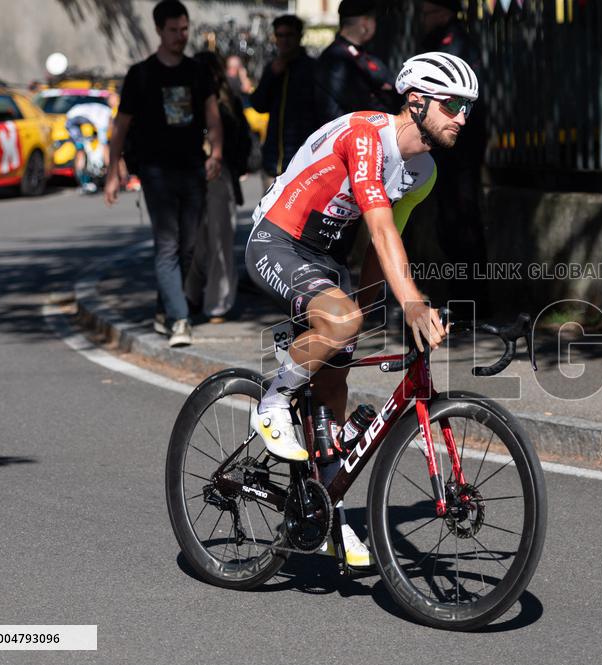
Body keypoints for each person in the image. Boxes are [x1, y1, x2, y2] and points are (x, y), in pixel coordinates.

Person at [244, 51, 479, 566]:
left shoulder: (424, 171)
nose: (462, 116)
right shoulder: (366, 137)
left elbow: (382, 246)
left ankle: (328, 513)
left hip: (325, 257)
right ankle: (273, 400)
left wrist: (366, 319)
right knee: (339, 321)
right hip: (277, 240)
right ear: (416, 102)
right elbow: (375, 225)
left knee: (338, 377)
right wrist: (412, 304)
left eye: (468, 106)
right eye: (452, 104)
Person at [104, 0, 223, 348]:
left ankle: (163, 309)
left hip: (192, 169)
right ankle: (179, 319)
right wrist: (113, 171)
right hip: (155, 172)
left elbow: (212, 115)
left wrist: (215, 152)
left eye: (184, 29)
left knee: (187, 247)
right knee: (168, 244)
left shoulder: (197, 71)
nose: (180, 36)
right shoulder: (141, 75)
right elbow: (121, 126)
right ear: (159, 30)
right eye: (173, 30)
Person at [417, 0, 490, 309]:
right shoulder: (440, 40)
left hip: (460, 145)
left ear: (443, 12)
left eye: (427, 12)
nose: (422, 18)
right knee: (449, 223)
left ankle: (471, 301)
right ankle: (463, 299)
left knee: (461, 222)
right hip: (448, 148)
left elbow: (455, 97)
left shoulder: (455, 43)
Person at [185, 51, 250, 323]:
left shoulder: (228, 101)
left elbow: (241, 139)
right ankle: (191, 294)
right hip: (191, 175)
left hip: (220, 175)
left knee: (220, 241)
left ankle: (218, 303)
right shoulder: (188, 99)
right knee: (195, 241)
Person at [250, 14, 318, 189]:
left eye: (289, 35)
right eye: (279, 35)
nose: (284, 40)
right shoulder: (271, 68)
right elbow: (258, 105)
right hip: (273, 162)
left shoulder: (312, 69)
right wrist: (271, 75)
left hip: (303, 163)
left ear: (299, 37)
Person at [314, 0, 399, 124]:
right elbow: (357, 102)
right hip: (353, 133)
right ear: (365, 24)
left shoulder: (364, 55)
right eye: (373, 20)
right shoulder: (335, 58)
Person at [64, 95, 115, 193]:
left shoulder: (100, 110)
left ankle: (81, 174)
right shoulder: (105, 114)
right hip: (76, 120)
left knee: (80, 148)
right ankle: (108, 171)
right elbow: (103, 135)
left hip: (71, 119)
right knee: (104, 146)